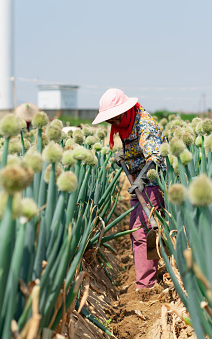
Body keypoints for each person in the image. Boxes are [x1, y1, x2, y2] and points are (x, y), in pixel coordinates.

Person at [92, 88, 166, 290]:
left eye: (114, 119)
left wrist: (142, 178)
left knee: (144, 232)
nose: (112, 124)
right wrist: (124, 157)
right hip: (138, 184)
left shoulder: (144, 124)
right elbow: (137, 151)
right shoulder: (127, 124)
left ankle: (147, 283)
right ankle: (150, 277)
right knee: (139, 231)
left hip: (152, 183)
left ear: (124, 112)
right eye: (110, 120)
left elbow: (155, 157)